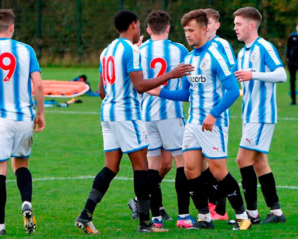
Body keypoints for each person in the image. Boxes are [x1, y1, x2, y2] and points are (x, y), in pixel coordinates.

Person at [74, 10, 193, 234]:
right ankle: (146, 224)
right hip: (127, 114)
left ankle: (85, 215)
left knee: (111, 167)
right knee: (142, 168)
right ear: (133, 25)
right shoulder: (131, 50)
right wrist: (171, 74)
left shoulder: (107, 50)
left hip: (107, 113)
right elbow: (140, 86)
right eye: (137, 24)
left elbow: (101, 90)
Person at [149, 9, 251, 230]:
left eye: (191, 30)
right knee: (190, 170)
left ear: (204, 29)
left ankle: (243, 217)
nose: (187, 34)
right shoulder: (188, 58)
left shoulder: (215, 56)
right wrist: (160, 92)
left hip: (212, 124)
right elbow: (186, 94)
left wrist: (214, 113)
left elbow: (233, 90)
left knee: (218, 171)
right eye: (185, 30)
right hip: (193, 124)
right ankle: (204, 218)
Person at [0, 9, 45, 236]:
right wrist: (40, 113)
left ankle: (0, 227)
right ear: (12, 28)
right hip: (24, 117)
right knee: (22, 165)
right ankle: (26, 203)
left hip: (1, 119)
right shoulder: (27, 50)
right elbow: (39, 85)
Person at [127, 9, 194, 229]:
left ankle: (155, 218)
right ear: (168, 28)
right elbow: (190, 79)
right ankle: (183, 216)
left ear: (147, 29)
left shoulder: (139, 50)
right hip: (171, 113)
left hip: (146, 114)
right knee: (181, 164)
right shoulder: (180, 49)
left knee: (151, 168)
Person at [233, 7, 287, 224]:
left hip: (262, 115)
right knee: (259, 162)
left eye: (238, 24)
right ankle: (276, 212)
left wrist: (254, 74)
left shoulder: (264, 47)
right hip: (249, 115)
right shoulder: (241, 52)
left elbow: (281, 74)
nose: (235, 28)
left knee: (242, 159)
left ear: (251, 25)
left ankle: (252, 214)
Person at [203, 8, 238, 221]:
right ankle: (213, 207)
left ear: (217, 25)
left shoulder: (221, 45)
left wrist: (217, 109)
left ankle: (221, 210)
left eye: (209, 23)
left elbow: (230, 76)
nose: (205, 27)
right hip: (202, 114)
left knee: (216, 164)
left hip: (217, 113)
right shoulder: (200, 47)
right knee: (204, 164)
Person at [286, 21, 298, 105]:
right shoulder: (292, 36)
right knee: (292, 81)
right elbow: (288, 48)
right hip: (293, 62)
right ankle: (293, 99)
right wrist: (288, 59)